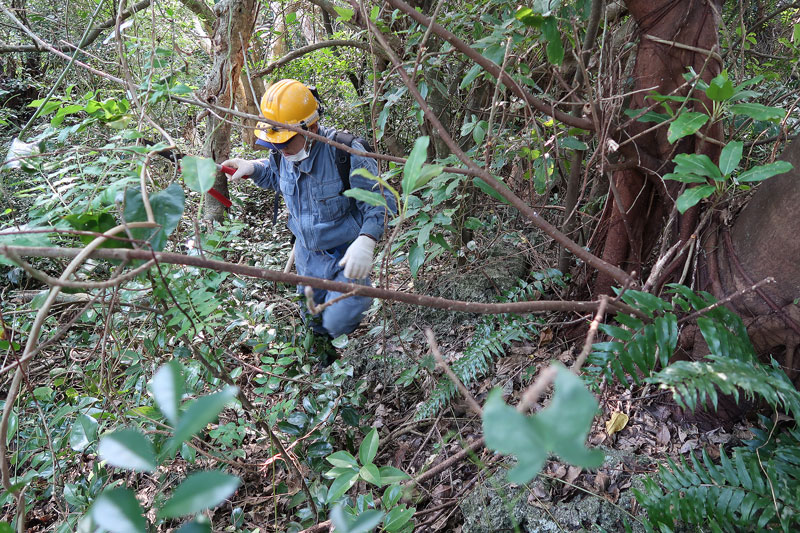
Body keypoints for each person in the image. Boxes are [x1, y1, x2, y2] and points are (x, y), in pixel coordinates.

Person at [222, 79, 396, 342]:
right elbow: (275, 174)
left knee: (338, 321)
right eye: (275, 144)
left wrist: (367, 240)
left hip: (344, 259)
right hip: (307, 259)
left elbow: (380, 202)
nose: (280, 149)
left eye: (286, 142)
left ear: (311, 127)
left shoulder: (345, 152)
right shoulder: (283, 154)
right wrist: (253, 168)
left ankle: (355, 356)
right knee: (313, 326)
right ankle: (327, 364)